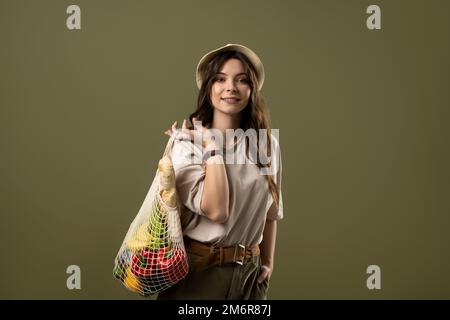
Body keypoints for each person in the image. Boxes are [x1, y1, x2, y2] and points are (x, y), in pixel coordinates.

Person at [157, 44, 283, 300]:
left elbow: (270, 214)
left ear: (252, 89)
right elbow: (217, 209)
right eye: (220, 79)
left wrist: (268, 263)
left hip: (249, 277)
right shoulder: (187, 145)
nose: (231, 87)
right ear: (208, 88)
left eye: (242, 80)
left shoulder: (265, 145)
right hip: (198, 274)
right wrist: (212, 147)